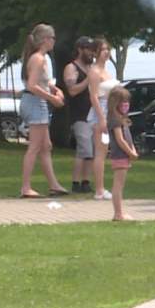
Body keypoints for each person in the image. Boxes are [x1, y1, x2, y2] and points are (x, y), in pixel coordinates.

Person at [19, 23, 67, 198]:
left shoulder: (41, 58)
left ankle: (54, 184)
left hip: (37, 102)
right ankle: (25, 187)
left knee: (46, 146)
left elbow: (44, 82)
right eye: (53, 38)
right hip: (34, 103)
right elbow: (32, 85)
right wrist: (52, 99)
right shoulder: (38, 59)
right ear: (46, 40)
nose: (54, 41)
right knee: (35, 147)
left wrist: (55, 90)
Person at [86, 38, 120, 200]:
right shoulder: (94, 72)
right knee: (100, 152)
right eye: (103, 49)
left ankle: (101, 187)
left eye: (108, 49)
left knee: (104, 151)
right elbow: (93, 96)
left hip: (110, 108)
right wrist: (101, 119)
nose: (106, 52)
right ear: (95, 52)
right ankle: (99, 189)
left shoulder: (106, 71)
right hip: (101, 110)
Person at [63, 36, 96, 193]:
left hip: (93, 114)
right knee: (84, 149)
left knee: (92, 151)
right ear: (80, 50)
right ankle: (76, 183)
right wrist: (88, 80)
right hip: (80, 115)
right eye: (88, 49)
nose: (91, 53)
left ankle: (86, 182)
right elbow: (72, 90)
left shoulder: (92, 68)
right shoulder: (72, 68)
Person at [106, 85, 139, 221]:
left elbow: (128, 138)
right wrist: (130, 152)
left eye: (127, 101)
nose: (126, 104)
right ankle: (118, 214)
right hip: (120, 155)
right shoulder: (115, 120)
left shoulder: (121, 119)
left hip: (125, 155)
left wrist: (133, 150)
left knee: (120, 185)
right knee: (118, 186)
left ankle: (119, 213)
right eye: (122, 101)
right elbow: (120, 140)